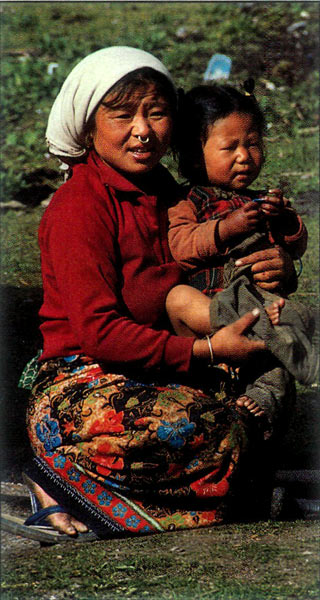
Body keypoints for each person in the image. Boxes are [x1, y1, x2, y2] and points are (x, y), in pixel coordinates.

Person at [23, 48, 298, 539]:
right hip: (86, 381)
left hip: (160, 368)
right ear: (88, 126)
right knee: (201, 427)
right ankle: (57, 478)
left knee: (265, 397)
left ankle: (213, 488)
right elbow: (100, 332)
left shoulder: (172, 193)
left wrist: (276, 267)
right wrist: (207, 350)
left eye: (156, 111)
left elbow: (215, 273)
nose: (143, 129)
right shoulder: (78, 207)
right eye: (122, 114)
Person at [167, 83, 317, 435]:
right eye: (229, 147)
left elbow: (296, 245)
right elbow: (181, 246)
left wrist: (285, 221)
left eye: (252, 143)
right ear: (194, 153)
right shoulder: (188, 201)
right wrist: (224, 228)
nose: (244, 156)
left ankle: (261, 407)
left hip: (260, 314)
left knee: (271, 374)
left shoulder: (260, 200)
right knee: (179, 299)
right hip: (213, 316)